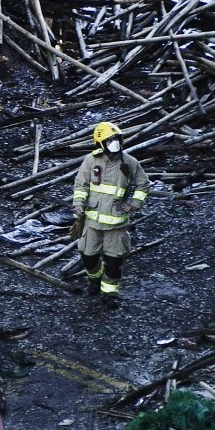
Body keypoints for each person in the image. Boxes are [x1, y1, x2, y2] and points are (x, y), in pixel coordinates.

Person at [72, 121, 149, 305]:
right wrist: (78, 203)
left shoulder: (130, 162)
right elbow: (81, 185)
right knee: (88, 257)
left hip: (116, 223)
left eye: (116, 138)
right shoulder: (91, 160)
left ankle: (109, 294)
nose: (114, 142)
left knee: (114, 263)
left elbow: (143, 184)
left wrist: (134, 204)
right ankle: (95, 279)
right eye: (109, 140)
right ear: (100, 143)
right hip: (91, 221)